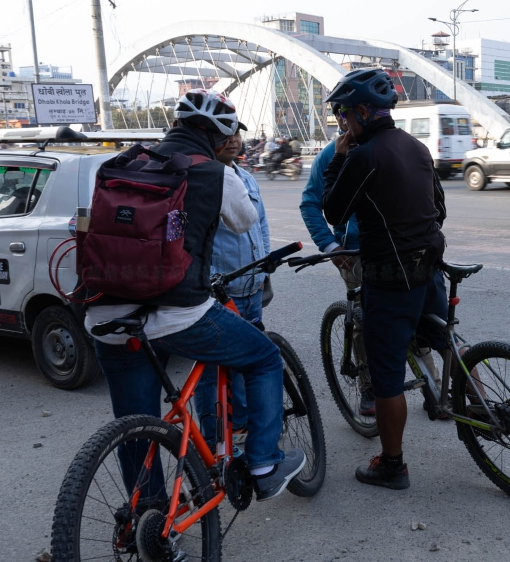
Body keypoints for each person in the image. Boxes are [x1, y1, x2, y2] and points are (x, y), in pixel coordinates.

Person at [84, 89, 304, 501]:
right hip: (177, 312)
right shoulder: (216, 172)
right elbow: (244, 222)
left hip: (106, 316)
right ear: (222, 137)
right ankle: (264, 463)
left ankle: (145, 517)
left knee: (137, 424)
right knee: (263, 358)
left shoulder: (123, 164)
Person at [322, 68, 448, 490]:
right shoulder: (417, 148)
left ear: (361, 112)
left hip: (391, 279)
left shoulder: (363, 156)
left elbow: (333, 211)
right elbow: (439, 209)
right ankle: (480, 407)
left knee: (388, 376)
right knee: (445, 338)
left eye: (342, 115)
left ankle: (392, 465)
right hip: (431, 264)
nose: (342, 124)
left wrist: (338, 158)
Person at [195, 126, 270, 451]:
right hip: (220, 295)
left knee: (246, 365)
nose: (235, 139)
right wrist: (207, 278)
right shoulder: (198, 181)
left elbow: (261, 223)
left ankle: (240, 430)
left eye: (237, 131)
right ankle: (213, 441)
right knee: (211, 375)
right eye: (225, 133)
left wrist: (265, 265)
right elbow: (190, 238)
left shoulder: (245, 176)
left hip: (251, 290)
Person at [299, 122, 369, 412]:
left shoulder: (394, 145)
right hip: (356, 253)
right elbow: (310, 203)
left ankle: (435, 385)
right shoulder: (331, 154)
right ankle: (369, 387)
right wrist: (330, 246)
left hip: (402, 249)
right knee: (362, 320)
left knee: (419, 320)